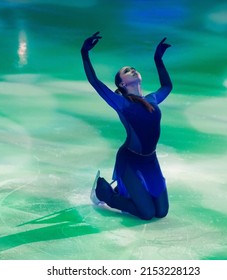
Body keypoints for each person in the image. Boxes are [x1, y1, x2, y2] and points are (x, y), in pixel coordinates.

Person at [81, 32, 173, 220]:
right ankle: (105, 193)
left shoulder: (152, 100)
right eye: (126, 70)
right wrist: (85, 53)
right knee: (147, 213)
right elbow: (94, 82)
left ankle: (128, 191)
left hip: (150, 161)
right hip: (130, 161)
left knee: (161, 212)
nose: (131, 69)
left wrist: (158, 59)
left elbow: (167, 86)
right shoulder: (121, 103)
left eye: (132, 68)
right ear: (122, 83)